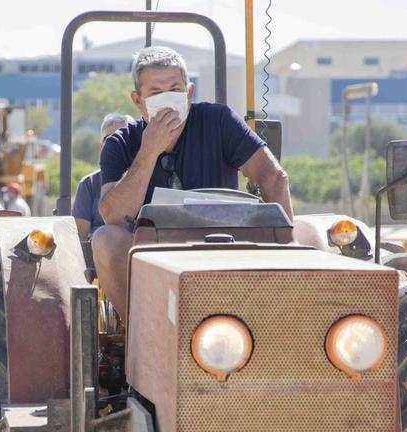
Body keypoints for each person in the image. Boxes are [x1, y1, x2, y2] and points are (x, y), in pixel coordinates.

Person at [92, 46, 293, 318]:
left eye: (175, 90)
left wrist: (285, 249)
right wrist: (149, 150)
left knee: (307, 236)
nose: (167, 99)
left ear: (189, 93)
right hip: (150, 255)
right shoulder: (120, 144)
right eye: (156, 93)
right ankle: (140, 336)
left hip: (225, 246)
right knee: (105, 240)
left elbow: (274, 177)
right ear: (138, 101)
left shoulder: (219, 121)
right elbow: (114, 217)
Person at [72, 113, 134, 238]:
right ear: (102, 147)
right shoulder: (88, 184)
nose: (117, 145)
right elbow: (81, 237)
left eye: (124, 138)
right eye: (111, 140)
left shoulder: (150, 177)